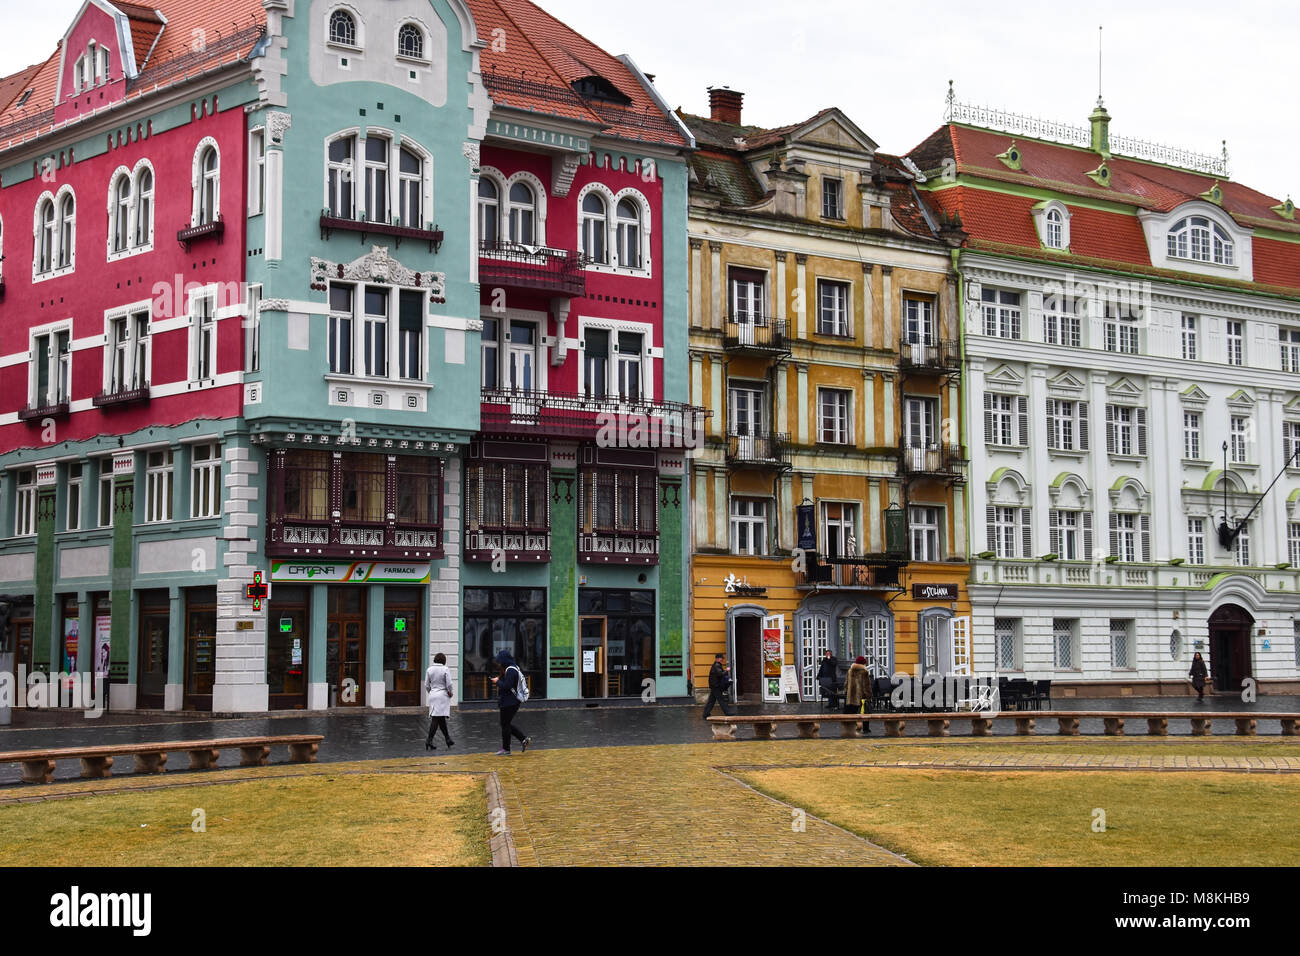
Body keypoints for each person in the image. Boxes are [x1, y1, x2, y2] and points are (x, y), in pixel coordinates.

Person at [490, 650, 531, 755]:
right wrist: (500, 678)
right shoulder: (513, 667)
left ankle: (506, 749)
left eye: (500, 661)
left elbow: (507, 686)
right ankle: (523, 739)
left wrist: (497, 681)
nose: (499, 663)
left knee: (505, 724)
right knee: (505, 724)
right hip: (511, 701)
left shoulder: (511, 670)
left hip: (509, 702)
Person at [423, 652, 455, 750]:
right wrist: (450, 692)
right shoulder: (445, 669)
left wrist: (431, 692)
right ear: (443, 660)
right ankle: (429, 740)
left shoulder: (429, 669)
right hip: (442, 695)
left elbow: (426, 685)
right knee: (436, 718)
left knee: (440, 718)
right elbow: (449, 684)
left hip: (433, 694)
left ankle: (447, 739)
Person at [702, 653, 734, 718]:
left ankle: (705, 714)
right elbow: (720, 674)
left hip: (714, 685)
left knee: (711, 701)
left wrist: (724, 671)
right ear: (717, 659)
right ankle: (727, 712)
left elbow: (718, 674)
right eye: (721, 658)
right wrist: (726, 671)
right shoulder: (717, 665)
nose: (722, 659)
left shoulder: (716, 665)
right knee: (721, 700)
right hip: (716, 686)